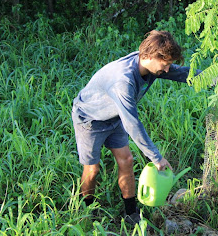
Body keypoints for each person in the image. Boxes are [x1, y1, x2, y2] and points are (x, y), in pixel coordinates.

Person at [71, 30, 194, 225]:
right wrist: (156, 157)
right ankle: (88, 208)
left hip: (113, 116)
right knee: (92, 169)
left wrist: (213, 79)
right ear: (149, 56)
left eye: (169, 64)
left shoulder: (151, 66)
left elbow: (180, 73)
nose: (168, 69)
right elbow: (132, 123)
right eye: (166, 64)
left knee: (127, 160)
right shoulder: (124, 80)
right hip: (90, 119)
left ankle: (130, 212)